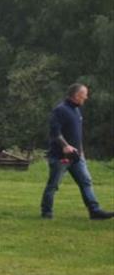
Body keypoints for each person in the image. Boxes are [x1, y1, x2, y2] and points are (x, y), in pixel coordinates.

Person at [41, 83, 112, 220]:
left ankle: (95, 211)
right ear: (76, 95)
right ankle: (46, 212)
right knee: (53, 185)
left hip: (77, 157)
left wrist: (81, 151)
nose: (86, 97)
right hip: (60, 157)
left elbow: (76, 134)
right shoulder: (60, 110)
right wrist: (65, 146)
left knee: (86, 182)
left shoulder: (76, 110)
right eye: (84, 94)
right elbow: (54, 132)